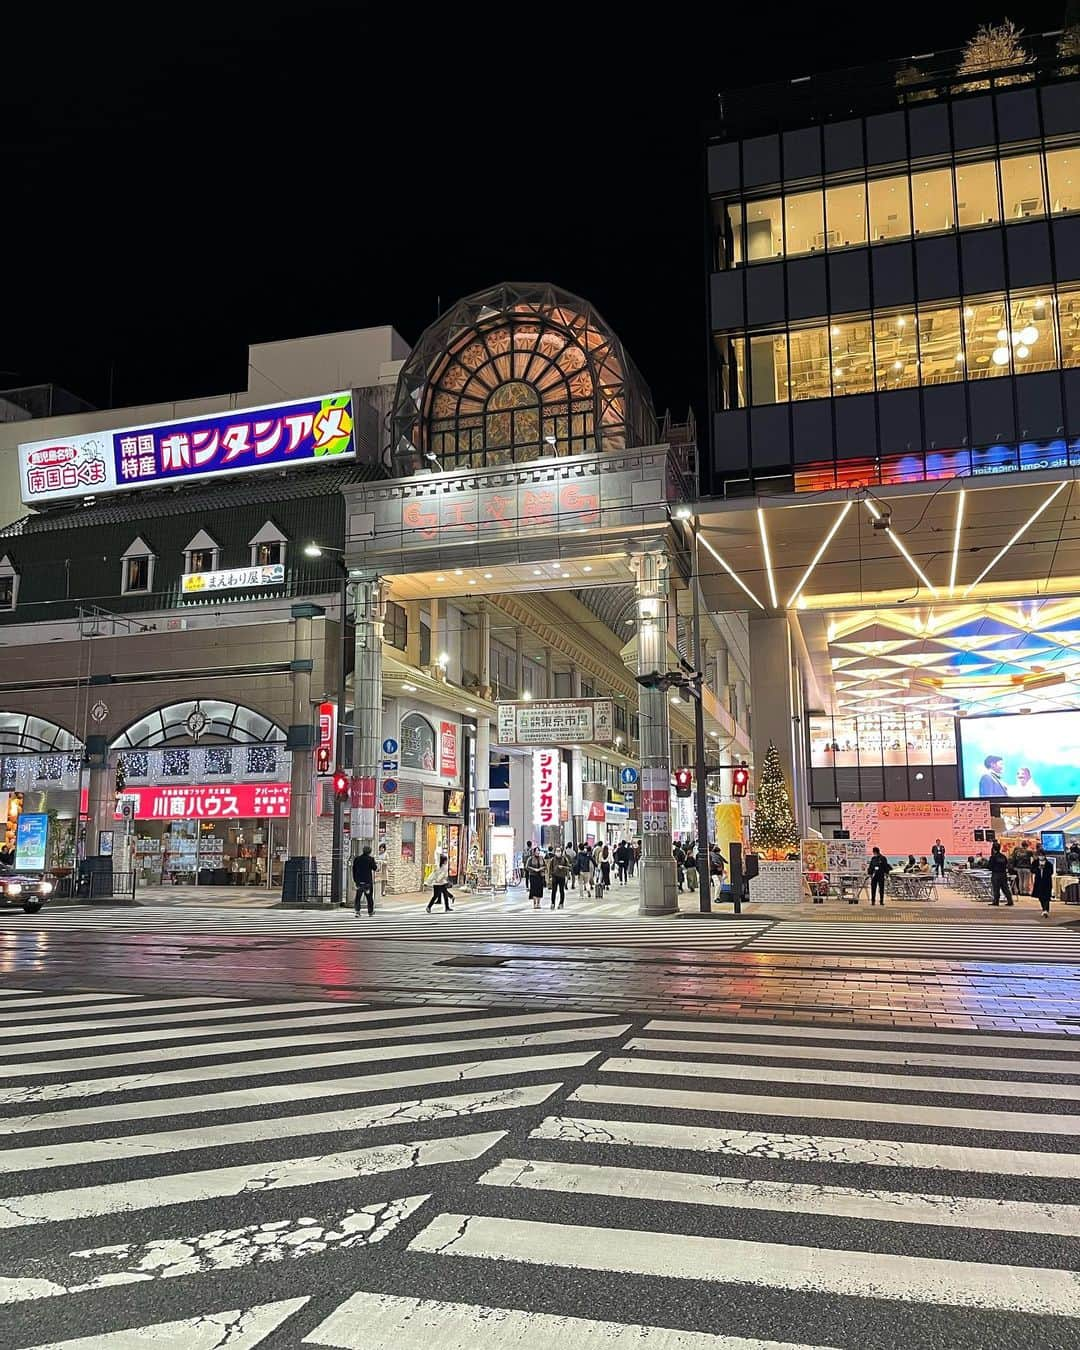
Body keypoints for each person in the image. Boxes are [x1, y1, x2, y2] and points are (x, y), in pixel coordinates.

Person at [351, 846, 376, 916]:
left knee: (358, 896)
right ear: (370, 852)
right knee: (369, 897)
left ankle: (357, 911)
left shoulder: (357, 859)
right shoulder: (371, 859)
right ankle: (370, 912)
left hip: (359, 881)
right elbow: (375, 868)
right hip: (367, 881)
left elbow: (354, 869)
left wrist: (355, 880)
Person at [988, 842, 1014, 906]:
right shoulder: (1004, 857)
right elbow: (1006, 864)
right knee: (1005, 888)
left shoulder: (993, 857)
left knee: (996, 888)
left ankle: (996, 901)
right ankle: (1010, 901)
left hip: (996, 874)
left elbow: (990, 866)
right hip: (1003, 874)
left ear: (993, 849)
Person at [1032, 847, 1055, 917]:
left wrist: (1044, 869)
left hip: (1047, 882)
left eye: (1042, 855)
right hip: (1038, 882)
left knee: (1047, 897)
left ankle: (1046, 910)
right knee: (1040, 897)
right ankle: (1044, 909)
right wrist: (1038, 869)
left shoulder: (1049, 864)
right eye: (1039, 855)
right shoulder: (1035, 862)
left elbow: (1051, 872)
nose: (1041, 856)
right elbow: (1032, 870)